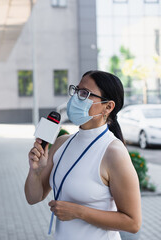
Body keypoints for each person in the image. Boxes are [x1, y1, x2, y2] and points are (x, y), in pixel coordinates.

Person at [25, 70, 141, 240]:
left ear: (108, 106)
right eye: (77, 90)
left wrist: (79, 212)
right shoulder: (61, 143)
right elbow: (33, 197)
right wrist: (35, 171)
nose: (75, 98)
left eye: (85, 93)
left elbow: (133, 223)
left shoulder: (113, 152)